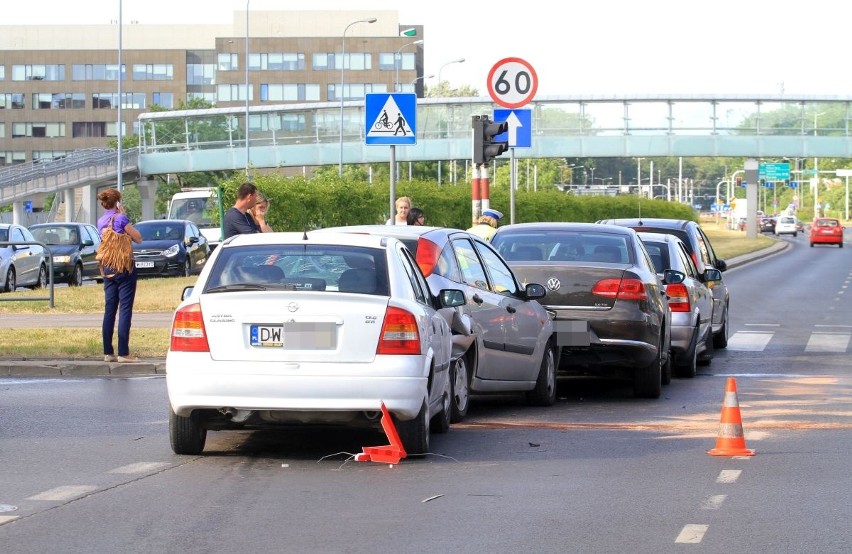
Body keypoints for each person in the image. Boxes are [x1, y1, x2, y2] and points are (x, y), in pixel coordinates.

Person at [96, 187, 143, 364]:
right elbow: (138, 238)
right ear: (117, 202)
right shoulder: (121, 218)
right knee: (125, 309)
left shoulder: (101, 221)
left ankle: (108, 352)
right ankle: (123, 353)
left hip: (107, 267)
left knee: (109, 309)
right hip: (123, 266)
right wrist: (122, 214)